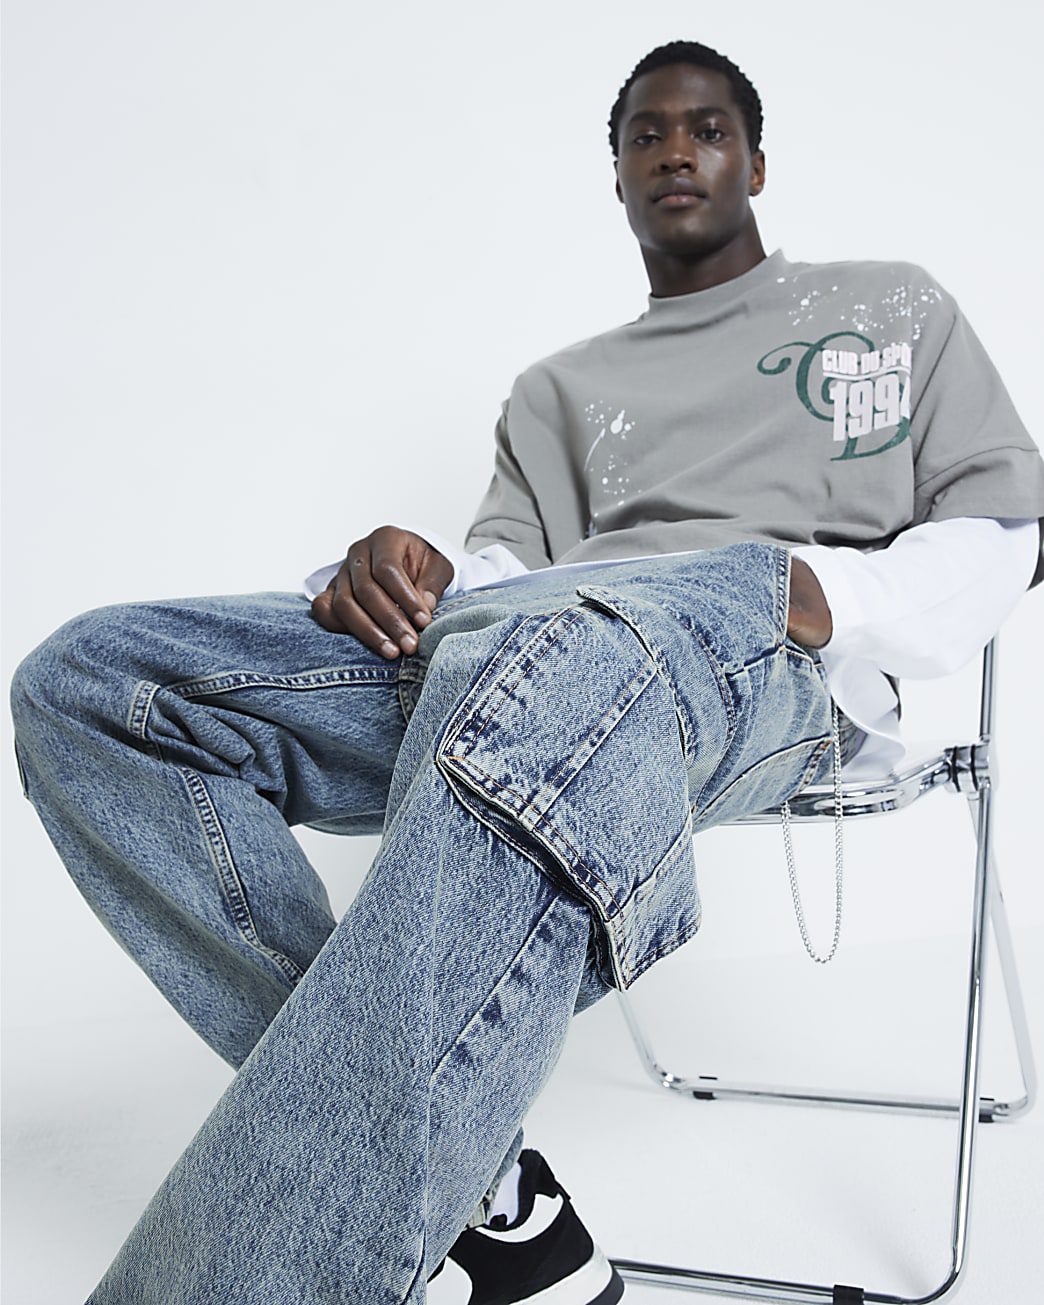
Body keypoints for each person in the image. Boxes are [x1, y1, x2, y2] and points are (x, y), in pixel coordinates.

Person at [10, 37, 1044, 1305]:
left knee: (570, 648)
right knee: (95, 686)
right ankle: (489, 1197)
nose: (677, 151)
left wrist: (822, 592)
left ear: (758, 162)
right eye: (647, 134)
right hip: (532, 648)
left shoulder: (891, 311)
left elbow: (1004, 531)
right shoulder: (560, 390)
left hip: (757, 658)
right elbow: (502, 576)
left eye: (709, 129)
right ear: (615, 175)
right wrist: (407, 573)